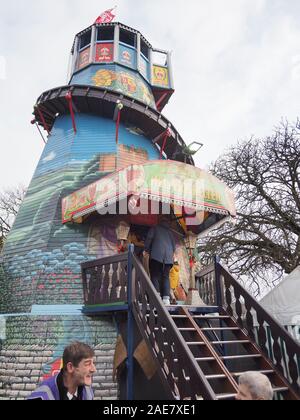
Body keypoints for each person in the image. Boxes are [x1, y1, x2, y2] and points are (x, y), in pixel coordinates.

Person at [28, 342, 96, 400]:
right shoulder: (42, 395)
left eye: (93, 363)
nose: (93, 369)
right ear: (70, 367)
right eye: (87, 364)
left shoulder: (88, 392)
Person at [144, 218, 176, 305]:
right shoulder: (170, 232)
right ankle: (166, 299)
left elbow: (149, 239)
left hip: (156, 256)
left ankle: (157, 297)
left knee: (154, 276)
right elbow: (174, 247)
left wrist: (146, 249)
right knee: (166, 277)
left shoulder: (155, 228)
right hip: (168, 259)